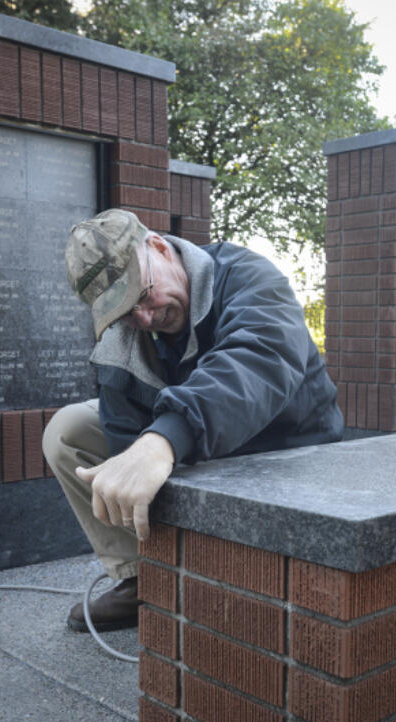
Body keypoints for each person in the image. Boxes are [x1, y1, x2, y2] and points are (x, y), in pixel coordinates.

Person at [42, 209, 344, 632]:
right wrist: (141, 463)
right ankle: (143, 576)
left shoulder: (247, 275)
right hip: (197, 452)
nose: (144, 318)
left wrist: (162, 441)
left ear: (162, 249)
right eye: (126, 311)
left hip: (287, 450)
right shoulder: (125, 338)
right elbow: (121, 434)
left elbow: (257, 361)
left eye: (142, 293)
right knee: (68, 429)